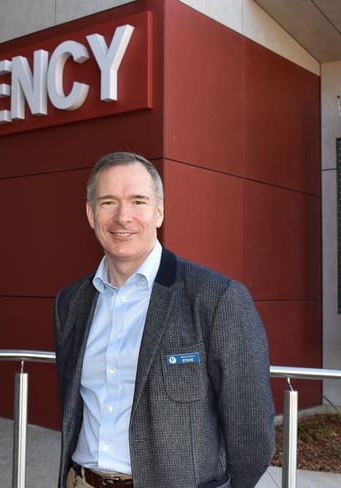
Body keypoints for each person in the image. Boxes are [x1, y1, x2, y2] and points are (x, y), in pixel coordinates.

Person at [54, 152, 274, 488]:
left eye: (138, 201)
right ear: (90, 213)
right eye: (109, 201)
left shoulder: (216, 299)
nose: (122, 217)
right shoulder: (71, 302)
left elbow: (252, 432)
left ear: (159, 211)